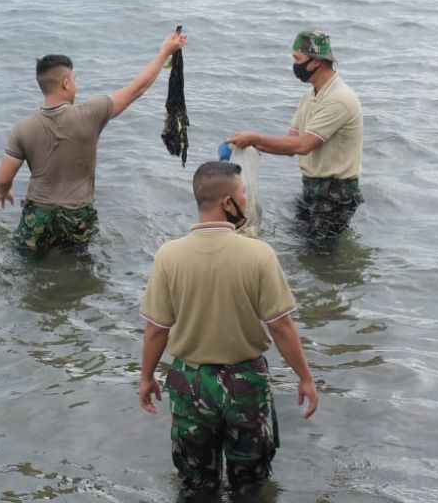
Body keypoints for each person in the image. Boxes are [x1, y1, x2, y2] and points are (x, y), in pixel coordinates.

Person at [138, 161, 318, 495]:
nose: (247, 201)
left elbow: (157, 329)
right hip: (245, 382)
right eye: (244, 194)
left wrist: (146, 377)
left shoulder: (169, 256)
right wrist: (305, 378)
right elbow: (280, 325)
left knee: (196, 484)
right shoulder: (259, 254)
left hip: (190, 383)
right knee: (250, 484)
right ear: (227, 203)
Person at [0, 29, 186, 253]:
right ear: (65, 83)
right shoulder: (91, 113)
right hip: (77, 215)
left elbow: (3, 178)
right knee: (79, 267)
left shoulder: (23, 127)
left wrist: (3, 191)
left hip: (38, 215)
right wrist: (165, 52)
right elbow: (137, 89)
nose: (76, 84)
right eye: (74, 80)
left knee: (29, 266)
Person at [227, 30, 363, 239]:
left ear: (317, 61)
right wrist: (249, 144)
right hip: (311, 186)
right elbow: (291, 143)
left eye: (297, 59)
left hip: (336, 192)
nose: (294, 65)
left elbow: (303, 145)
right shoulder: (311, 95)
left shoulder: (339, 99)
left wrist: (254, 138)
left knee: (321, 251)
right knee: (304, 246)